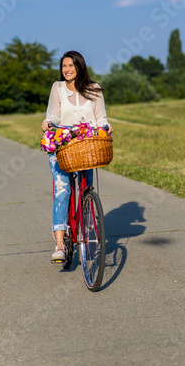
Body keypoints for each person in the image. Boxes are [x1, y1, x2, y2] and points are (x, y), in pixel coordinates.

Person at [41, 51, 113, 262]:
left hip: (85, 147)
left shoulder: (95, 89)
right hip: (62, 146)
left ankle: (87, 226)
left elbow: (101, 118)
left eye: (71, 65)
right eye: (64, 66)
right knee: (62, 191)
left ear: (80, 66)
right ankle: (60, 245)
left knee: (86, 189)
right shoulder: (58, 87)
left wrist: (106, 128)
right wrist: (48, 122)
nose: (67, 69)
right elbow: (53, 113)